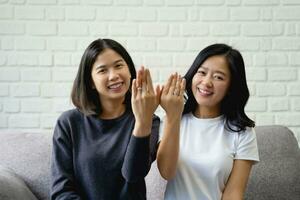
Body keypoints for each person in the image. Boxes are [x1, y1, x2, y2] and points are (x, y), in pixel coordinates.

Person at [50, 38, 161, 200]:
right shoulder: (69, 123)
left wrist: (142, 121)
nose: (114, 75)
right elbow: (61, 191)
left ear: (130, 71)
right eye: (102, 70)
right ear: (91, 82)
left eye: (118, 66)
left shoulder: (149, 121)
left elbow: (133, 174)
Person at [157, 43, 259, 200]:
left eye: (218, 77)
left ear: (231, 86)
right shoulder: (172, 121)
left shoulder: (243, 132)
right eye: (202, 72)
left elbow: (233, 193)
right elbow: (166, 172)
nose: (206, 82)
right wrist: (172, 116)